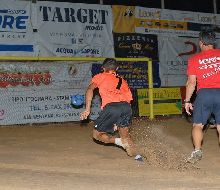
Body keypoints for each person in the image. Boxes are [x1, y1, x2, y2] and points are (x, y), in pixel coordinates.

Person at [80, 58, 135, 156]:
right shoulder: (122, 80)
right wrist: (118, 120)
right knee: (125, 136)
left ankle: (119, 142)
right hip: (126, 108)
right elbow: (129, 100)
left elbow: (89, 89)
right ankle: (137, 155)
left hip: (112, 108)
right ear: (116, 68)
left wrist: (87, 109)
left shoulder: (100, 76)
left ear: (103, 68)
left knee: (97, 135)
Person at [185, 30, 220, 164]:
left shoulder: (194, 59)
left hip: (204, 94)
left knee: (198, 124)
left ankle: (197, 150)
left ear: (201, 42)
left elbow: (191, 82)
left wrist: (187, 100)